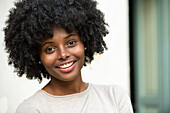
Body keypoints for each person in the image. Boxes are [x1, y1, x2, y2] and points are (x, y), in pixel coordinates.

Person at [4, 0, 133, 112]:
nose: (63, 54)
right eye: (50, 49)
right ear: (36, 56)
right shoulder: (32, 109)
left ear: (85, 42)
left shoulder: (115, 97)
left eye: (71, 42)